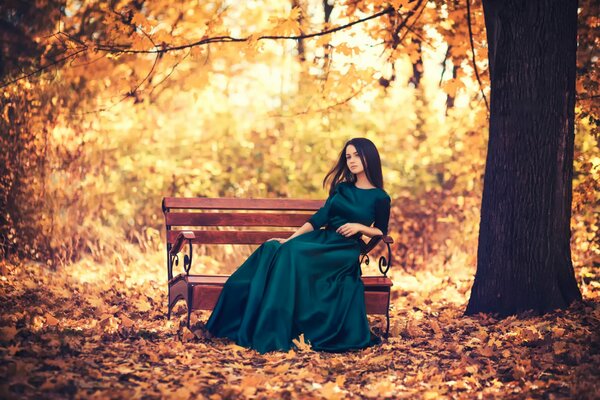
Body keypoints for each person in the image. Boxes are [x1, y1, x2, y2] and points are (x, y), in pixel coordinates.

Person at [202, 138, 392, 354]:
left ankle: (274, 329)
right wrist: (290, 239)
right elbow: (319, 218)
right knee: (275, 248)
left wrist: (360, 227)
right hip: (323, 240)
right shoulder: (342, 188)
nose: (352, 161)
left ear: (369, 156)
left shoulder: (380, 197)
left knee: (292, 254)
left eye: (357, 155)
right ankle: (255, 320)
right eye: (348, 157)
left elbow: (381, 231)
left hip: (343, 251)